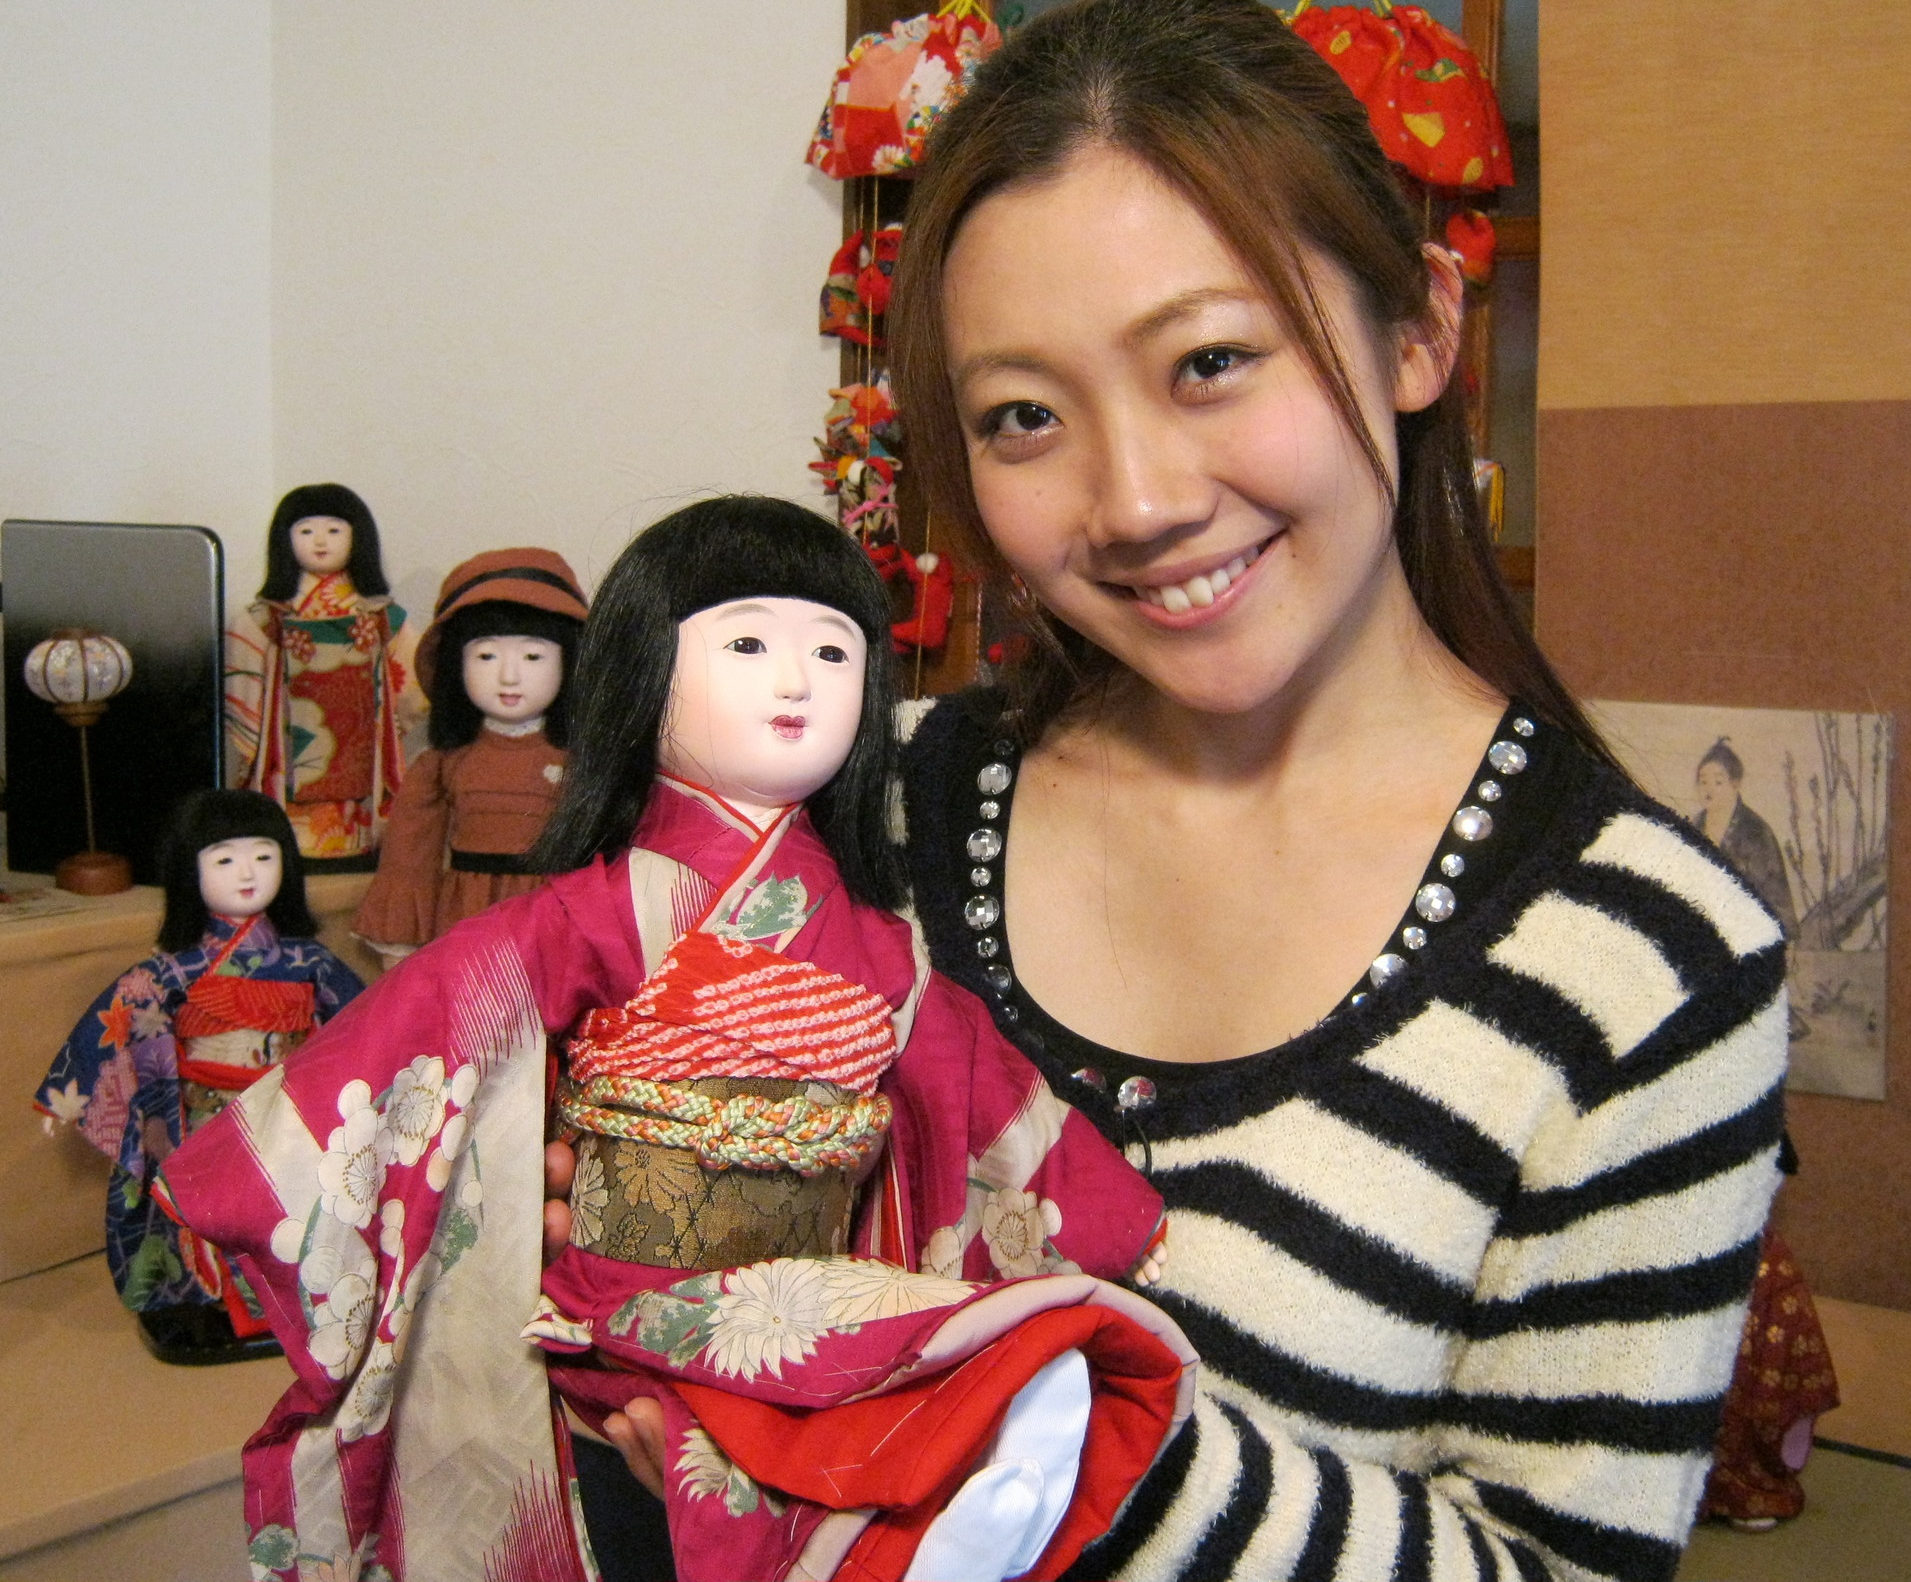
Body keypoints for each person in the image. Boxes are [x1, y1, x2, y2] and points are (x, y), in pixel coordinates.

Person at [865, 0, 1788, 1582]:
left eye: (1210, 361)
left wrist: (1059, 1430)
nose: (1135, 500)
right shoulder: (871, 811)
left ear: (1418, 329)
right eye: (1022, 415)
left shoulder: (1643, 965)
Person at [160, 498, 1190, 1582]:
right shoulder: (596, 911)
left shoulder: (876, 941)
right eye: (747, 645)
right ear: (641, 674)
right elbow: (435, 1009)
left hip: (809, 1289)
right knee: (743, 1440)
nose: (796, 682)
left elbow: (966, 1075)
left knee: (919, 1356)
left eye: (832, 652)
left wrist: (1102, 1206)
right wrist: (249, 1165)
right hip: (620, 1302)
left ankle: (938, 1513)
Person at [34, 789, 362, 1362]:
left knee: (294, 1206)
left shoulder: (306, 961)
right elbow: (116, 1019)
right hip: (206, 1115)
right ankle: (208, 1296)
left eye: (264, 856)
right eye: (225, 859)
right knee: (210, 1209)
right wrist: (68, 1096)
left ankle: (294, 1297)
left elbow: (363, 1021)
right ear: (191, 872)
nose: (247, 873)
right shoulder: (174, 969)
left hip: (288, 1113)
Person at [352, 547, 587, 957]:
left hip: (556, 922)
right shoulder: (440, 765)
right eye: (486, 655)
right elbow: (410, 856)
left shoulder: (584, 763)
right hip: (466, 920)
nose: (509, 676)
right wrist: (401, 942)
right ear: (455, 664)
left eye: (533, 656)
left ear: (570, 662)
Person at [223, 483, 416, 864]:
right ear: (285, 539)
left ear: (357, 537)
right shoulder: (265, 616)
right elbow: (243, 674)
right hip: (287, 737)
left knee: (361, 783)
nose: (320, 541)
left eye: (334, 529)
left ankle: (358, 837)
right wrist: (252, 737)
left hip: (360, 738)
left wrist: (391, 723)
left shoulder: (380, 615)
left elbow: (409, 677)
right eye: (306, 530)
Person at [1693, 738, 1800, 939]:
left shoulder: (1755, 831)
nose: (1709, 789)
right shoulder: (1694, 826)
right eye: (1703, 781)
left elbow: (1774, 896)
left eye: (1718, 782)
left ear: (1735, 783)